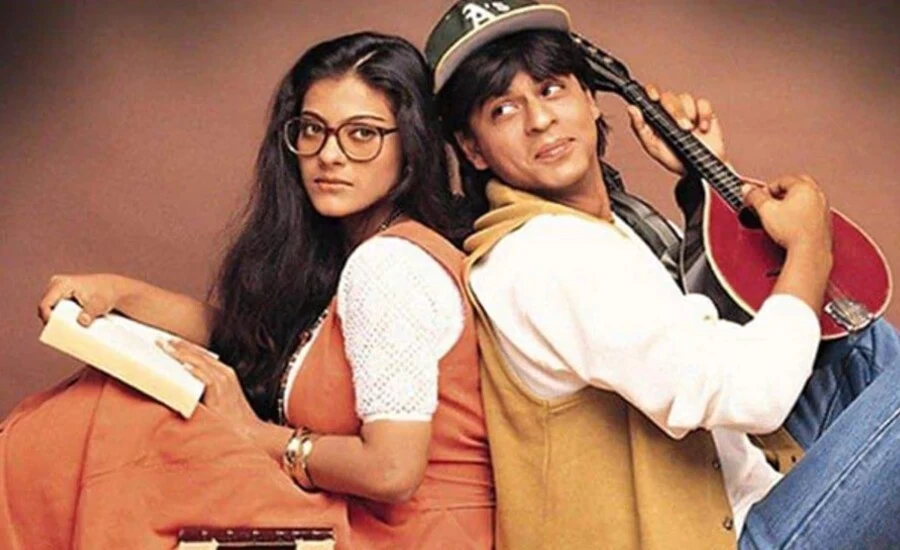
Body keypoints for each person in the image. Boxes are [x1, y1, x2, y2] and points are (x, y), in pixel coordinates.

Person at [425, 1, 900, 549]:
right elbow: (752, 392)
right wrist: (810, 247)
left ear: (589, 98)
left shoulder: (607, 226)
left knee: (857, 341)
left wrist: (705, 180)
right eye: (502, 110)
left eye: (551, 88)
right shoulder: (540, 258)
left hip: (747, 487)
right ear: (473, 149)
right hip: (725, 537)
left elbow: (721, 323)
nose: (539, 120)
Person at [1, 32, 493, 549]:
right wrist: (121, 296)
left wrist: (255, 434)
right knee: (114, 415)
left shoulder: (389, 266)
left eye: (362, 134)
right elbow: (255, 338)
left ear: (411, 145)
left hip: (406, 535)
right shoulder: (362, 251)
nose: (329, 155)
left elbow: (392, 470)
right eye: (313, 129)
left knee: (118, 426)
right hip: (368, 520)